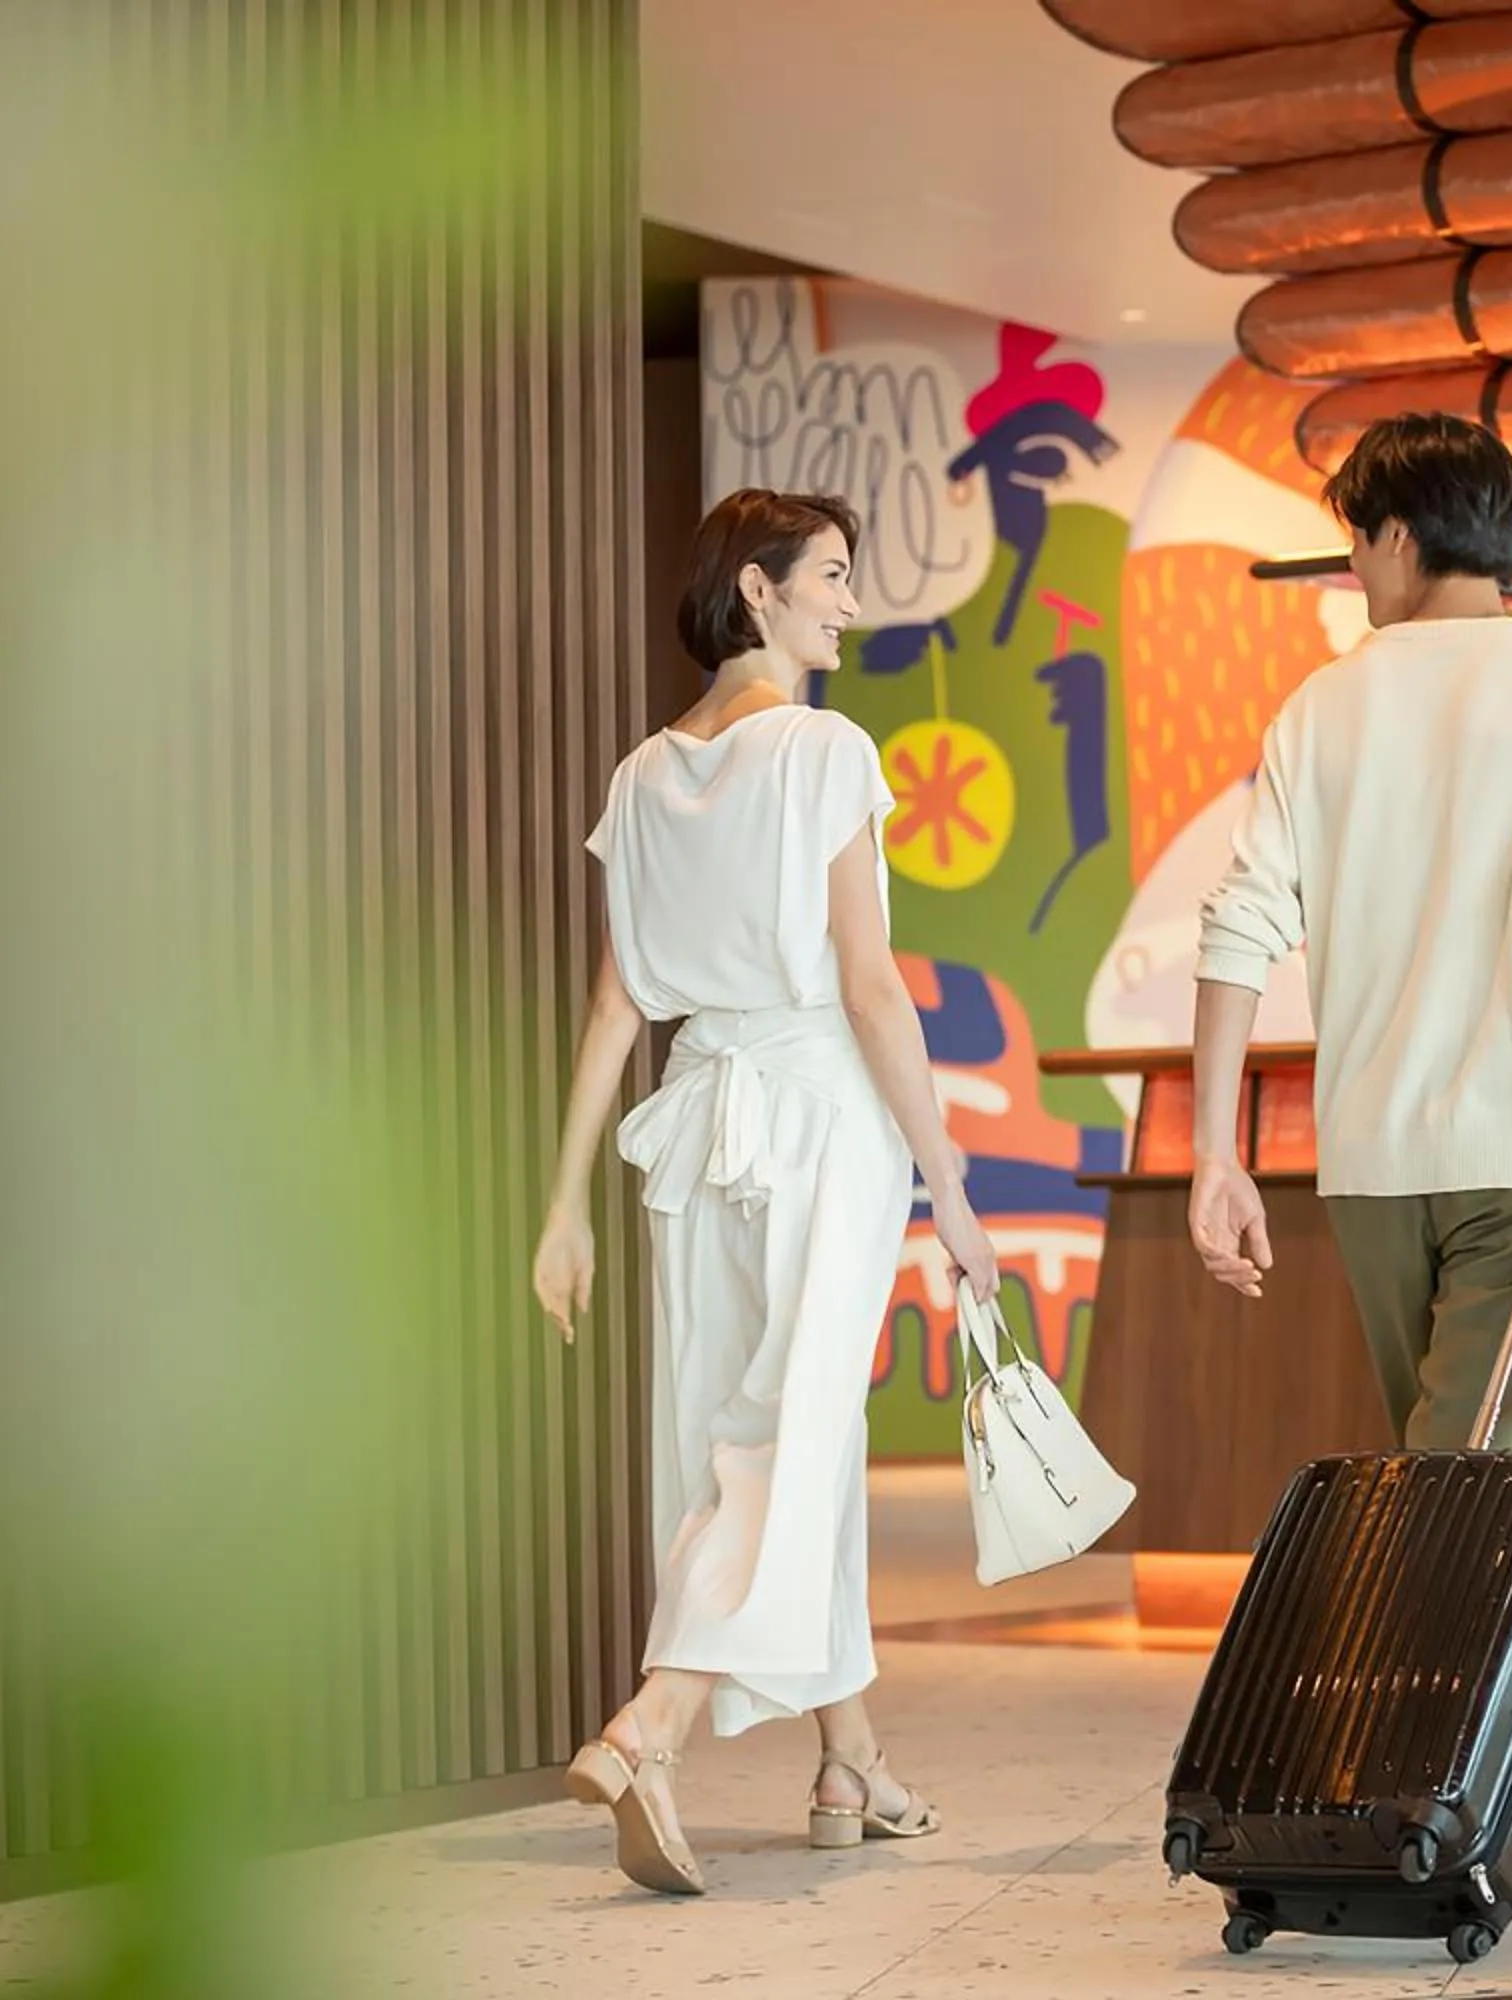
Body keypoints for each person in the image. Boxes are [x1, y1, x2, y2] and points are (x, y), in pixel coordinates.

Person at [1180, 411, 1512, 1849]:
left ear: (1395, 536)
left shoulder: (1321, 708)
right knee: (1454, 1483)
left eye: (1355, 542)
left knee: (1448, 1484)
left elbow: (1240, 923)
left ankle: (1485, 1766)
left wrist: (1217, 1152)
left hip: (1383, 1162)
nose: (1355, 570)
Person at [530, 489, 1001, 1896]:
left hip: (695, 1123)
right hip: (814, 1114)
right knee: (783, 1438)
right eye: (833, 576)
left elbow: (617, 1002)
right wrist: (947, 1180)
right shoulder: (824, 748)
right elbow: (870, 985)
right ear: (759, 588)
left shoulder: (640, 775)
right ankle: (653, 1726)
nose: (850, 603)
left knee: (753, 1435)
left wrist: (562, 1204)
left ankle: (850, 1760)